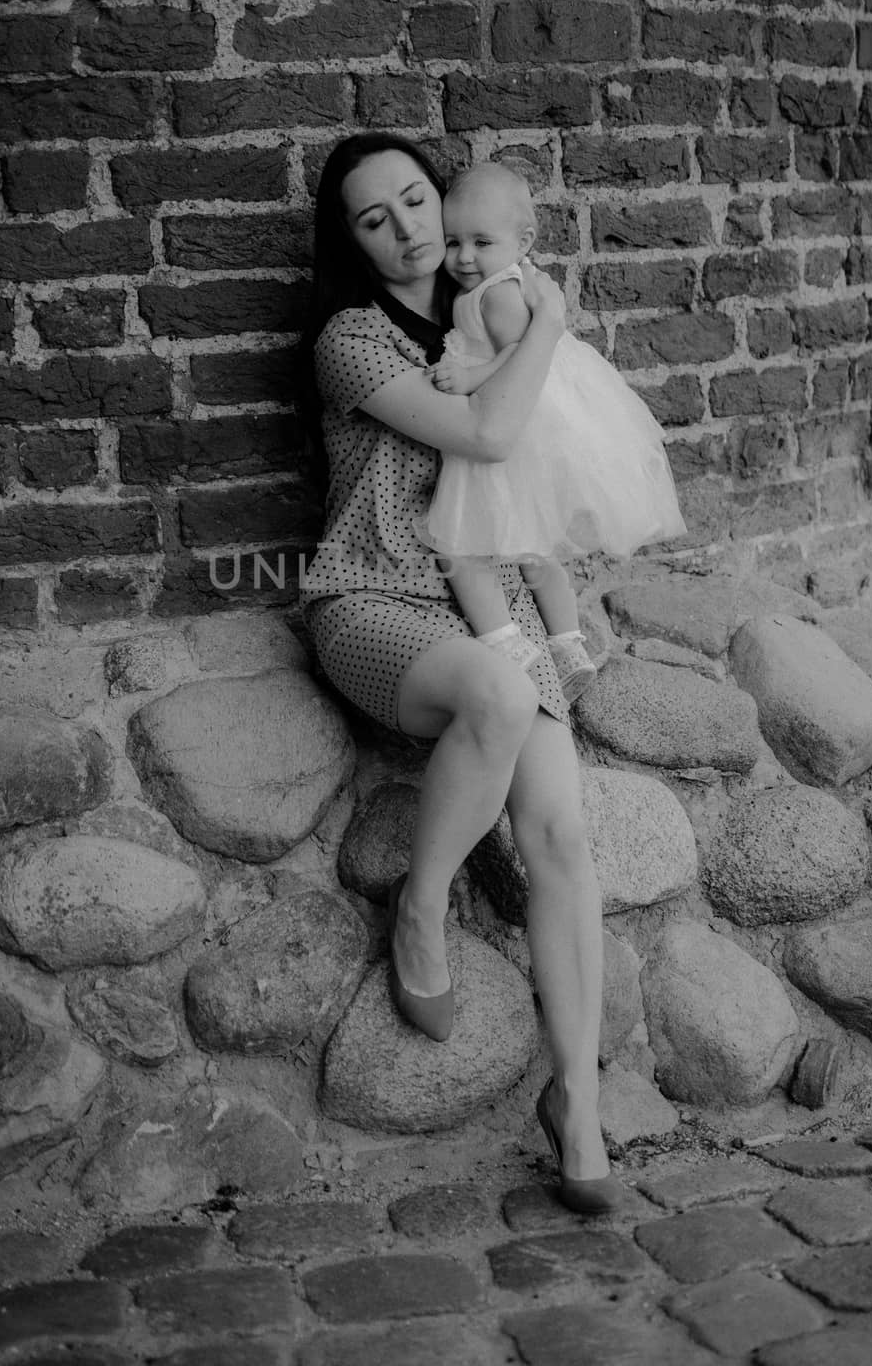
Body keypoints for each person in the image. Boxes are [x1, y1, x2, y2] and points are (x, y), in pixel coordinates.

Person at [300, 132, 619, 1212]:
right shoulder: (352, 339)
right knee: (495, 687)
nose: (406, 228)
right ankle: (422, 904)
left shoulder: (489, 304)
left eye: (415, 199)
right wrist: (555, 320)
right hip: (377, 597)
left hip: (497, 602)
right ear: (349, 241)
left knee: (564, 836)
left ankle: (576, 1099)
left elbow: (545, 460)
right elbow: (486, 433)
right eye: (372, 217)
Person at [421, 163, 685, 700]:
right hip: (523, 423)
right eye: (453, 242)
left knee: (461, 546)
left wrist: (470, 375)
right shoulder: (504, 280)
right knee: (536, 550)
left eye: (481, 241)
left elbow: (520, 352)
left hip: (510, 421)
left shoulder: (498, 292)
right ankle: (567, 643)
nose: (464, 256)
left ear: (524, 241)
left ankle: (507, 644)